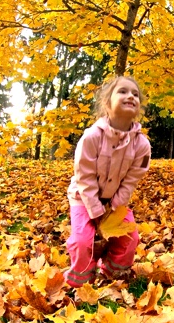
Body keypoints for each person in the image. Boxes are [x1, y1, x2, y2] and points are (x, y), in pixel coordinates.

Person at [64, 76, 151, 288]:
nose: (130, 96)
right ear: (107, 103)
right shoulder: (92, 137)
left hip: (115, 201)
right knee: (83, 241)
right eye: (122, 91)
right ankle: (81, 283)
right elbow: (84, 175)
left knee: (129, 238)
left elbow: (131, 180)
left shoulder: (141, 145)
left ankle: (113, 275)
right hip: (83, 198)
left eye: (135, 94)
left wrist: (113, 206)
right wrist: (95, 209)